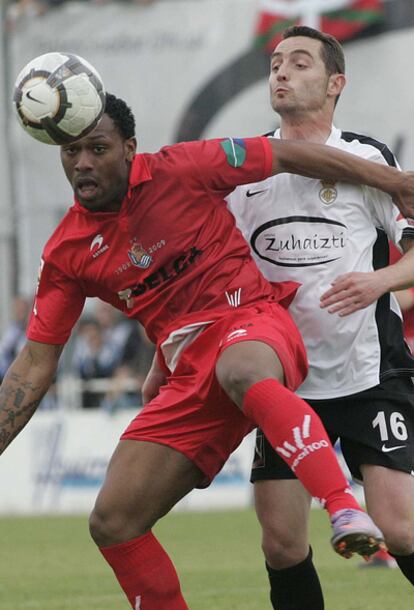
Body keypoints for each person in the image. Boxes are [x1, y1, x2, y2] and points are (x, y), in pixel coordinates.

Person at [1, 93, 414, 610]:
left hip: (253, 323)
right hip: (188, 371)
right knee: (113, 522)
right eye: (70, 152)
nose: (82, 163)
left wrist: (394, 182)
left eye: (97, 148)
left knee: (240, 367)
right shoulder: (67, 251)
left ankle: (341, 506)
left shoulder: (183, 166)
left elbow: (285, 155)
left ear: (129, 148)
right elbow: (36, 363)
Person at [226, 26, 414, 610]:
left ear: (335, 84)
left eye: (299, 63)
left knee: (401, 527)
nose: (280, 72)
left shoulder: (369, 160)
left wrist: (380, 281)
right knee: (282, 545)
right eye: (276, 62)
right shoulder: (244, 169)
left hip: (369, 376)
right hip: (285, 385)